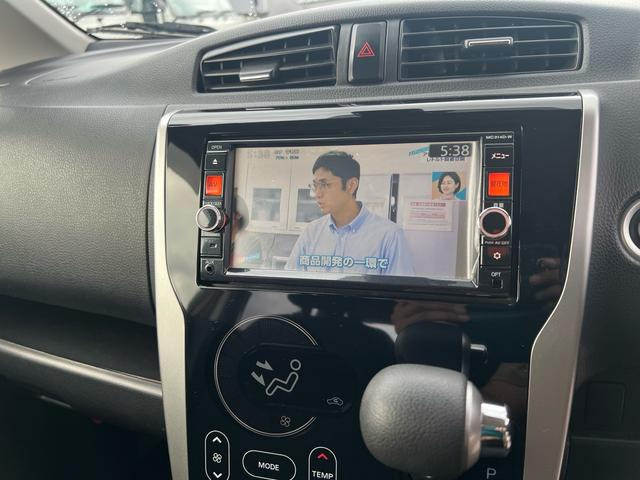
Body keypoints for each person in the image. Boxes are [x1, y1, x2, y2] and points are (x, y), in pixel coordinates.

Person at [285, 151, 414, 275]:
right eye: (315, 185)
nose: (317, 194)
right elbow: (290, 281)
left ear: (351, 185)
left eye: (325, 185)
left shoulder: (390, 236)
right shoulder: (311, 232)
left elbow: (400, 289)